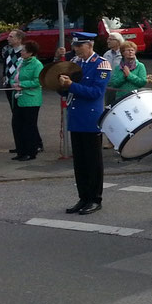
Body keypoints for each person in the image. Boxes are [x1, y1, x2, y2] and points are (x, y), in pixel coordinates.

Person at [61, 32, 110, 215]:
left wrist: (71, 85)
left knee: (93, 161)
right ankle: (83, 197)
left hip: (90, 119)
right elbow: (68, 91)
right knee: (80, 162)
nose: (76, 49)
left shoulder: (101, 64)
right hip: (76, 117)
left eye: (79, 46)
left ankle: (95, 198)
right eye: (75, 46)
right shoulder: (76, 63)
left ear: (90, 45)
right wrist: (62, 87)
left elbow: (96, 93)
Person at [10, 40, 43, 161]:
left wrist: (22, 84)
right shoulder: (21, 63)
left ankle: (31, 151)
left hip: (31, 99)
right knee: (17, 125)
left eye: (23, 50)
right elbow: (13, 77)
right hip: (19, 98)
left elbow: (38, 81)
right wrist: (13, 83)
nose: (21, 52)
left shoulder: (37, 64)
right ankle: (21, 150)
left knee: (29, 126)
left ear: (30, 53)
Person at [1, 29, 25, 115]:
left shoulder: (25, 52)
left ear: (19, 39)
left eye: (11, 37)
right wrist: (4, 76)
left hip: (19, 85)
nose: (8, 38)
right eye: (8, 36)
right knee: (13, 109)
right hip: (8, 84)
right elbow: (5, 65)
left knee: (20, 110)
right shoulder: (8, 51)